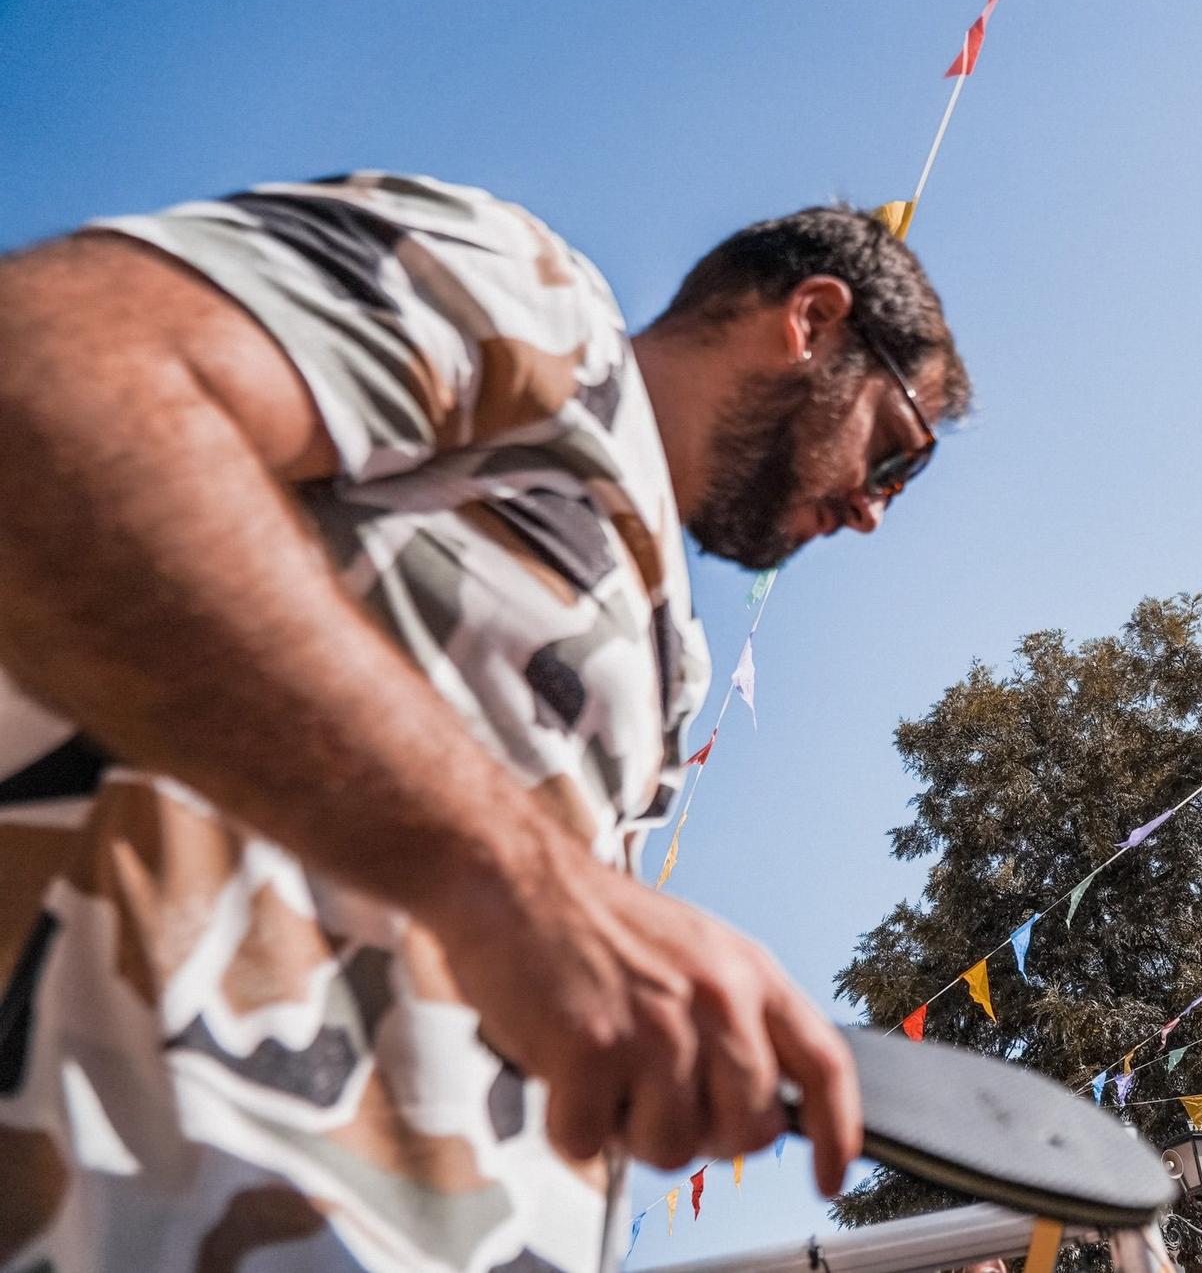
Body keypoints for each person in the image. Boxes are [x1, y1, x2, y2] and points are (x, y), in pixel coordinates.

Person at [0, 172, 971, 1271]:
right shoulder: (532, 295)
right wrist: (507, 878)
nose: (871, 510)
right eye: (894, 450)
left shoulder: (676, 660)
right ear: (811, 320)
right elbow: (53, 378)